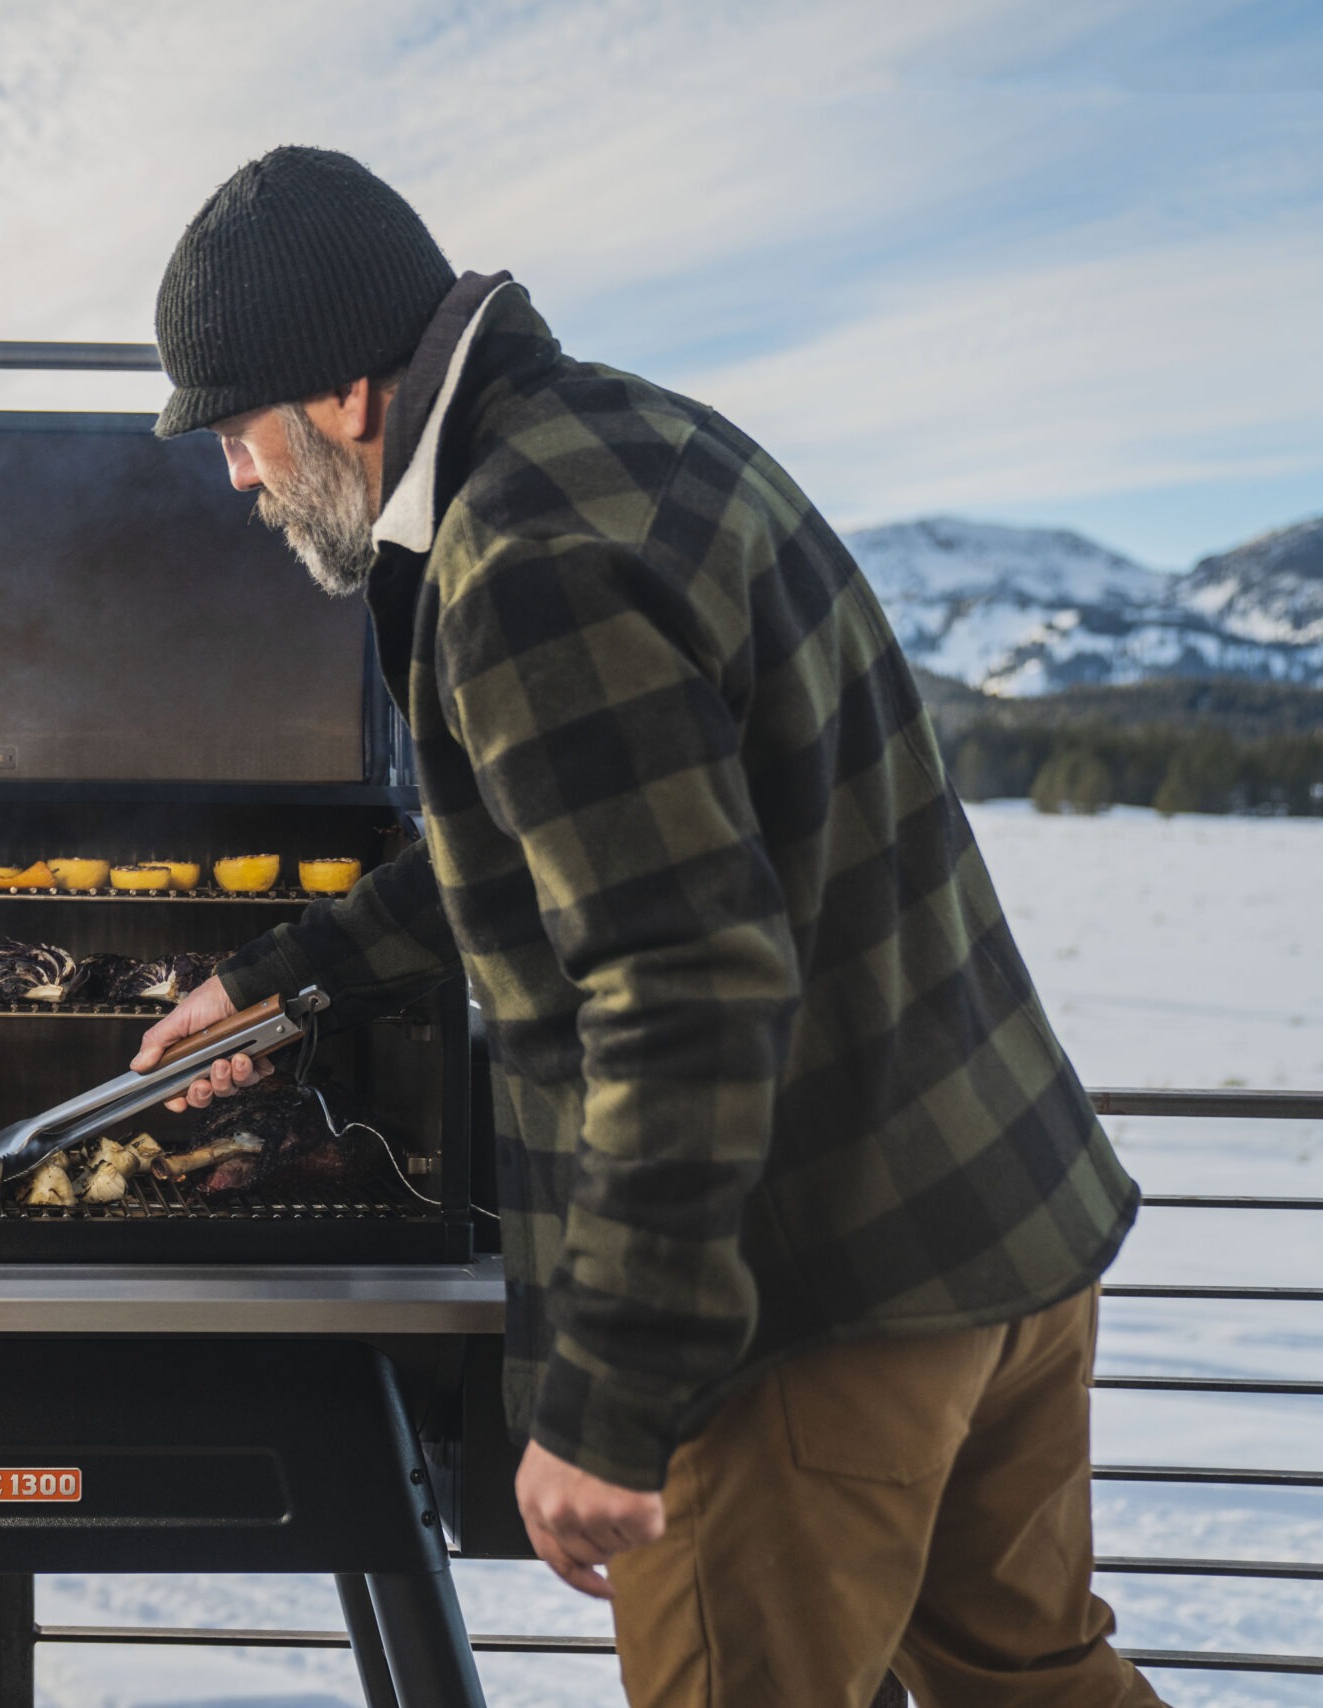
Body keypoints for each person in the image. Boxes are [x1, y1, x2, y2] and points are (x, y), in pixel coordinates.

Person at [131, 145, 1161, 1708]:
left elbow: (684, 987)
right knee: (1033, 1687)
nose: (233, 476)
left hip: (812, 1319)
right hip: (998, 1226)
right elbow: (569, 851)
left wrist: (611, 1397)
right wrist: (279, 985)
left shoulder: (523, 560)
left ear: (343, 396)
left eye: (236, 431)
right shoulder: (620, 439)